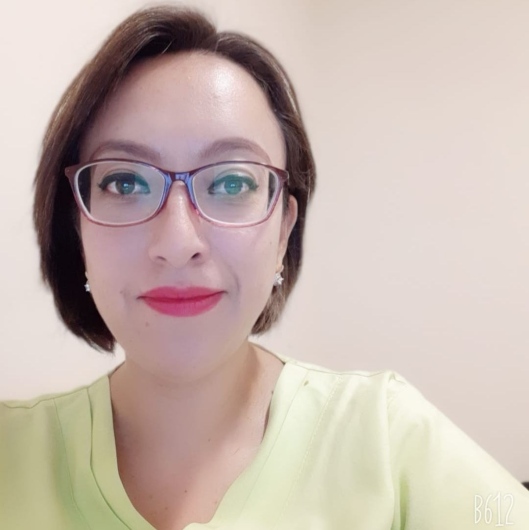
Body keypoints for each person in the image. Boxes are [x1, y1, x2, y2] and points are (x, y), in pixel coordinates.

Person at [1, 5, 528, 529]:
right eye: (125, 182)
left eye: (232, 182)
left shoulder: (388, 438)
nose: (178, 243)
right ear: (77, 227)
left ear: (283, 232)